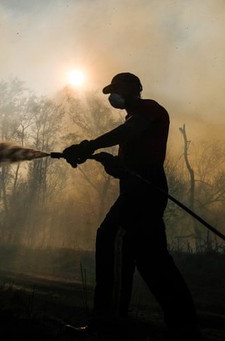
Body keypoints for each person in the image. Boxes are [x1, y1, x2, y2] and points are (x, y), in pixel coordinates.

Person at [62, 72, 200, 339]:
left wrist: (89, 145)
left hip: (144, 190)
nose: (113, 96)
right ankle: (185, 325)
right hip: (141, 187)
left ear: (133, 89)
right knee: (151, 259)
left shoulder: (149, 109)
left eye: (116, 89)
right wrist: (111, 163)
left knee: (111, 238)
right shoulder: (131, 123)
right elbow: (129, 162)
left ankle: (106, 324)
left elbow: (130, 131)